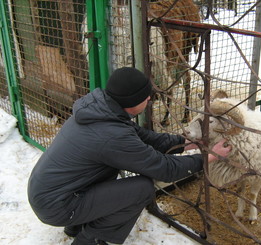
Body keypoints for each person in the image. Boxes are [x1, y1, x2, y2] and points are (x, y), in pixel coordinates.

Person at [27, 67, 231, 245]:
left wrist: (189, 144)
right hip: (57, 205)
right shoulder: (112, 135)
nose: (150, 98)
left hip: (51, 192)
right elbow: (165, 169)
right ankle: (90, 240)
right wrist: (209, 158)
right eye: (146, 96)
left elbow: (149, 138)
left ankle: (75, 226)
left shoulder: (102, 110)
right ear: (132, 101)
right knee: (141, 189)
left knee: (106, 172)